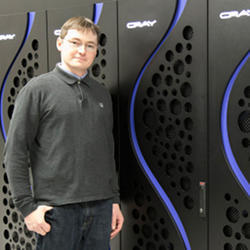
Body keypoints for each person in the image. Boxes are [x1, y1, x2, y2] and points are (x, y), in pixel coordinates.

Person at [3, 16, 124, 250]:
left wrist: (114, 200)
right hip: (57, 213)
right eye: (75, 42)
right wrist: (27, 209)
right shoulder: (37, 90)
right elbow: (15, 152)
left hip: (100, 208)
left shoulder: (101, 93)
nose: (82, 50)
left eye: (90, 45)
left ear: (96, 50)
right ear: (60, 44)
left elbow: (107, 152)